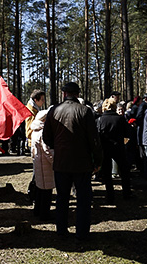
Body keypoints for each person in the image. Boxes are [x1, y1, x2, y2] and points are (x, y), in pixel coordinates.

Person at [43, 82, 103, 240]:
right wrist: (97, 161)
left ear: (64, 94)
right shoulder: (85, 111)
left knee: (62, 198)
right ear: (77, 94)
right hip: (81, 163)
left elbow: (46, 138)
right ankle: (82, 233)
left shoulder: (54, 110)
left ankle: (61, 230)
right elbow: (94, 140)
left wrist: (60, 148)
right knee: (83, 199)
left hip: (62, 162)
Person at [96, 98, 132, 204]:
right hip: (118, 148)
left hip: (105, 148)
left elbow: (97, 135)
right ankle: (126, 193)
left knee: (107, 173)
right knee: (124, 171)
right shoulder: (120, 119)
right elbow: (128, 133)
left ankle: (110, 195)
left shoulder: (99, 120)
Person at [31, 109, 55, 220]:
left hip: (38, 163)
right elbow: (47, 151)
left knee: (40, 189)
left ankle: (37, 211)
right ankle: (44, 214)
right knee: (46, 191)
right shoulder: (43, 132)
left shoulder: (35, 131)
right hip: (45, 165)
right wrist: (55, 161)